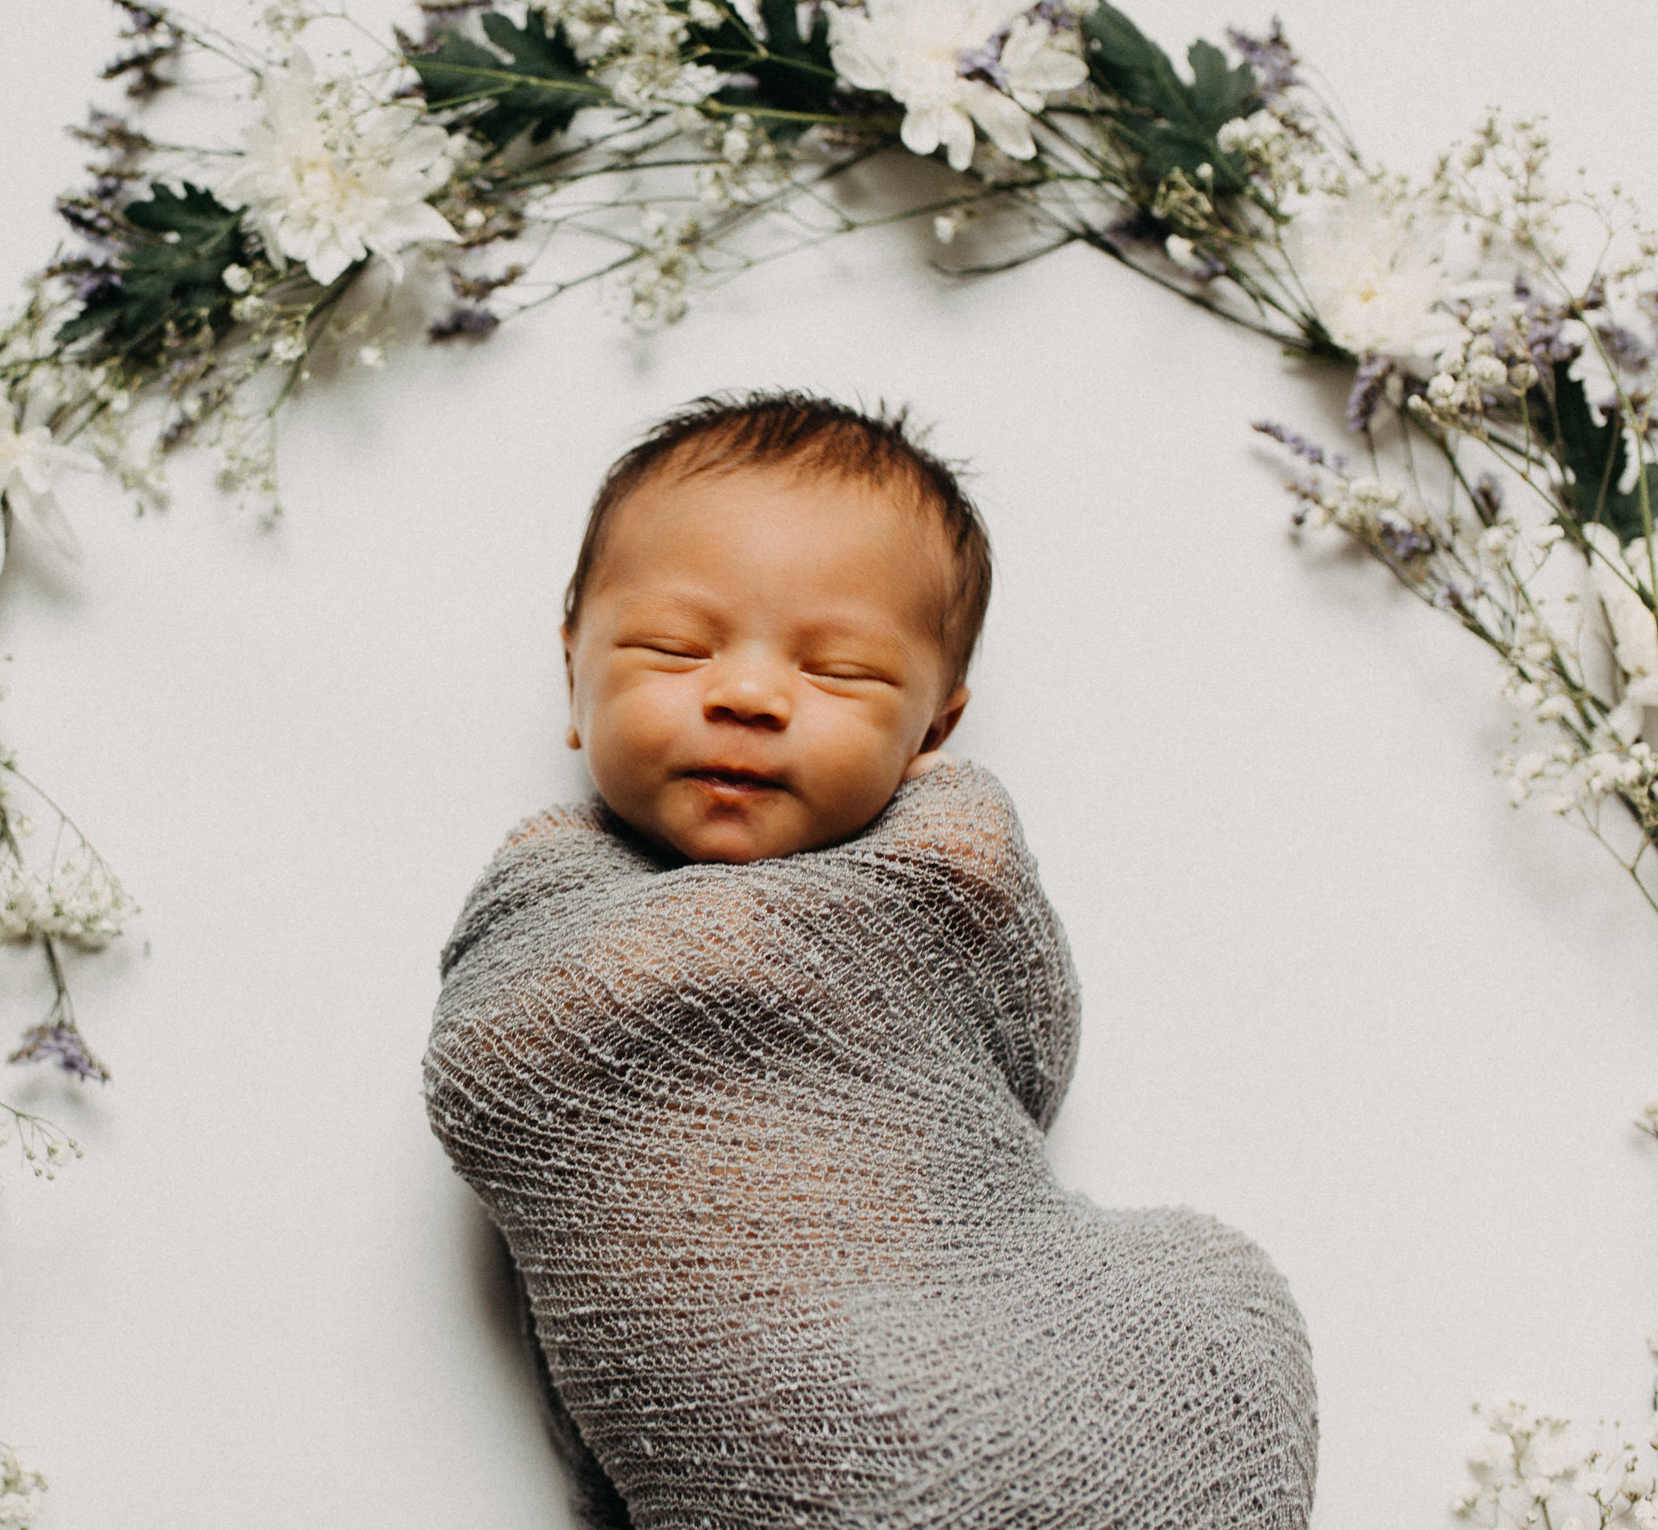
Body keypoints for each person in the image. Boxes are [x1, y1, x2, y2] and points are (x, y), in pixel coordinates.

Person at [422, 391, 1317, 1530]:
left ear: (932, 733)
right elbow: (500, 1073)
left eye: (839, 670)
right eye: (672, 647)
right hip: (753, 1407)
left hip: (987, 1324)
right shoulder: (543, 906)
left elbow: (1016, 1061)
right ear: (572, 675)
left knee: (1202, 1301)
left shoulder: (952, 872)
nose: (745, 694)